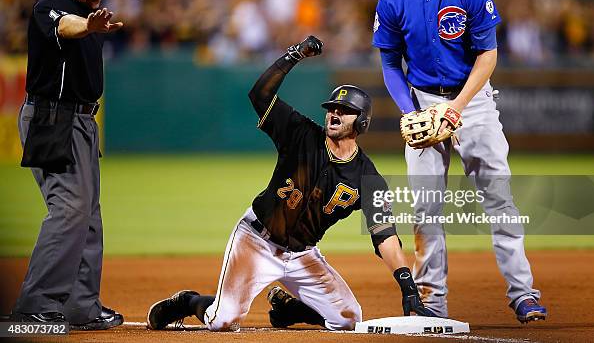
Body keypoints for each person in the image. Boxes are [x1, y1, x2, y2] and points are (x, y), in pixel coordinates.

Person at [146, 36, 435, 332]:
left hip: (303, 254)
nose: (334, 112)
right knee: (223, 321)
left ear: (362, 122)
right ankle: (187, 301)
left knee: (349, 319)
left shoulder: (369, 178)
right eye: (332, 106)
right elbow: (259, 95)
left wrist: (408, 286)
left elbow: (385, 237)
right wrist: (294, 55)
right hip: (256, 240)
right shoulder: (300, 133)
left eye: (344, 109)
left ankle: (288, 309)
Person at [372, 0, 547, 323]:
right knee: (425, 208)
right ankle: (433, 302)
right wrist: (409, 110)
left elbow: (488, 54)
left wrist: (458, 107)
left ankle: (523, 292)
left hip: (473, 99)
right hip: (422, 101)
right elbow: (389, 65)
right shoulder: (392, 0)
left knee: (499, 198)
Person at [10, 0, 132, 330]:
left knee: (88, 217)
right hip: (52, 118)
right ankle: (34, 306)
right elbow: (65, 25)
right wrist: (89, 26)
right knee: (69, 211)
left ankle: (80, 306)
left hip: (80, 121)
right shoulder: (50, 3)